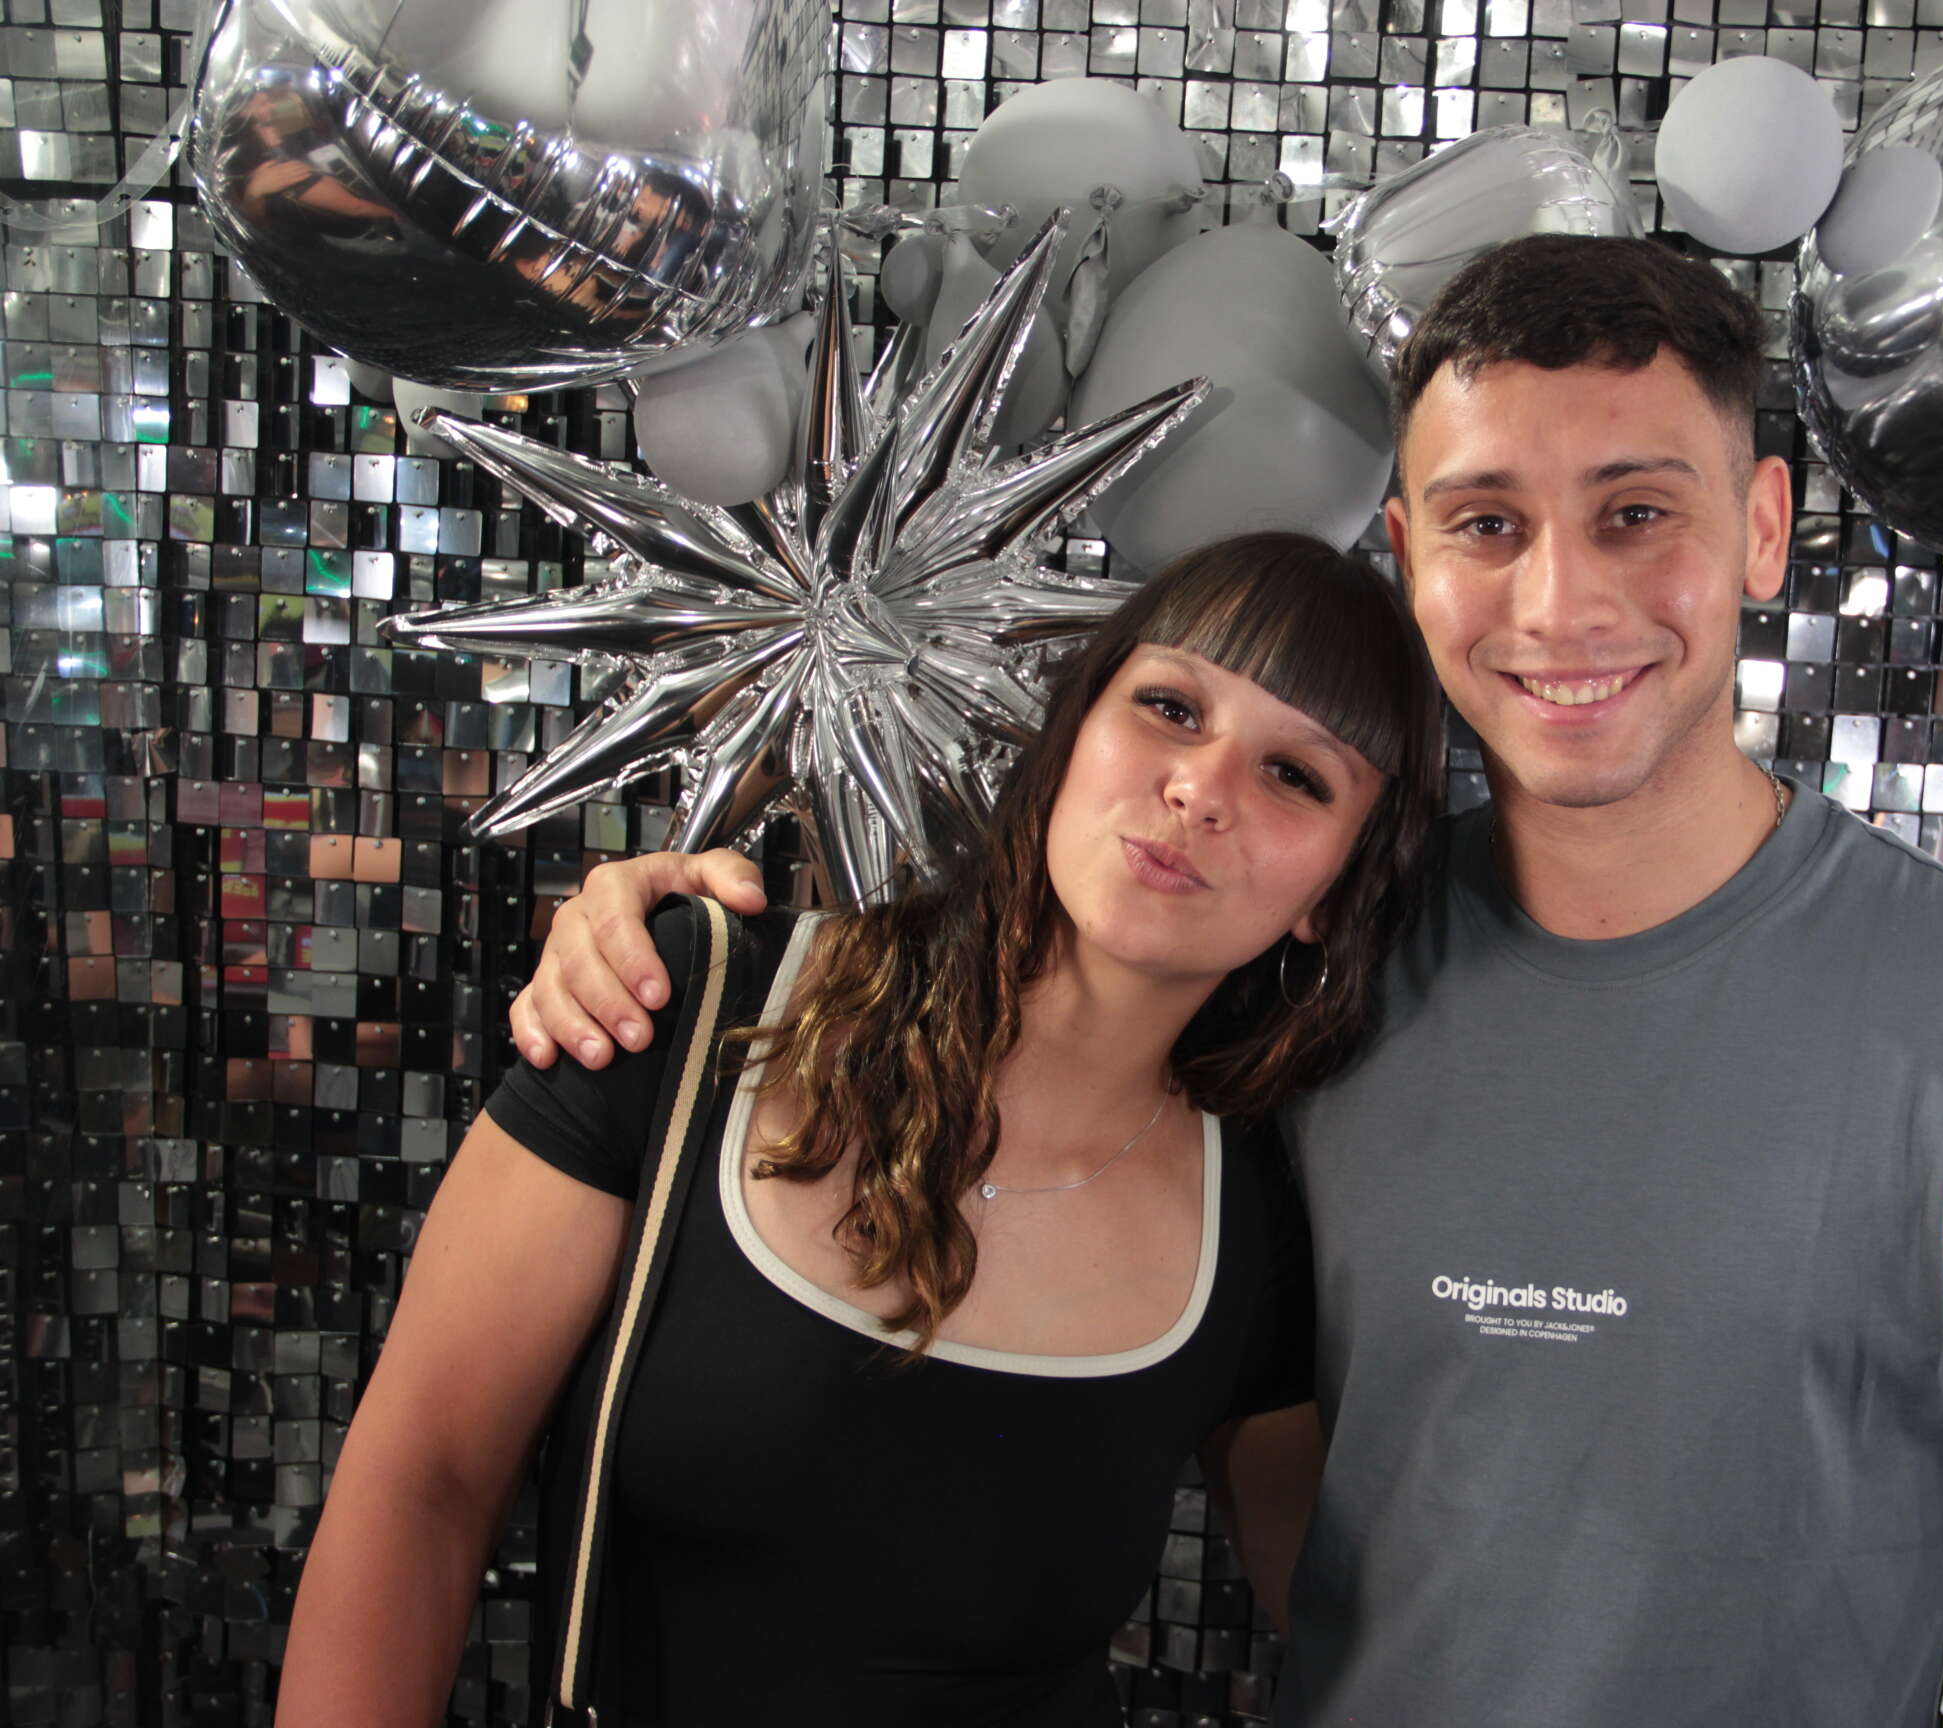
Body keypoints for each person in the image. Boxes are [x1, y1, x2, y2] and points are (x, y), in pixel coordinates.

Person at [511, 235, 1943, 1726]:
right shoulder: (1305, 961)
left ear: (1760, 528)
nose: (1558, 601)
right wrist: (661, 934)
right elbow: (1028, 1049)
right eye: (1486, 523)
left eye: (1636, 512)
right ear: (1408, 553)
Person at [274, 532, 1445, 1727]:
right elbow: (423, 1483)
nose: (1200, 789)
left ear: (1338, 889)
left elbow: (1375, 1619)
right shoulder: (685, 1004)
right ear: (1074, 728)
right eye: (1170, 707)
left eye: (1296, 774)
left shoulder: (1265, 1218)